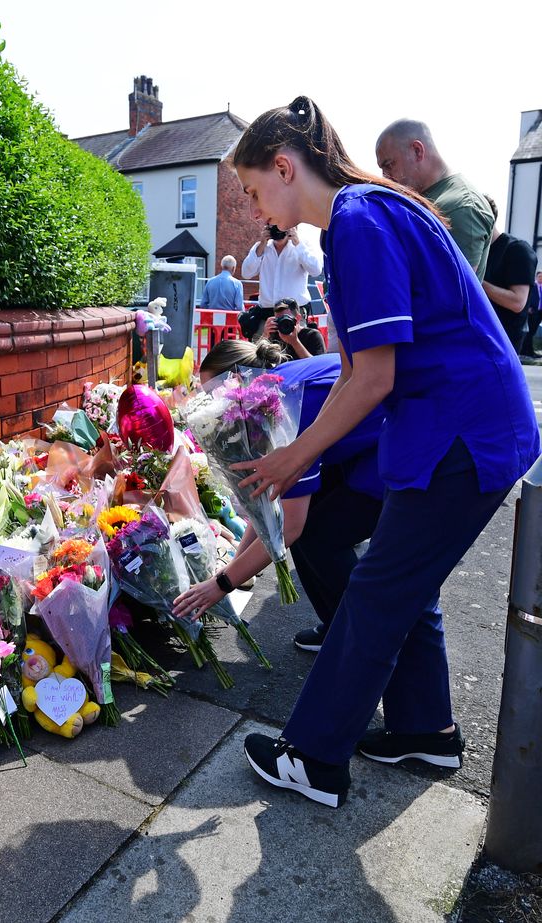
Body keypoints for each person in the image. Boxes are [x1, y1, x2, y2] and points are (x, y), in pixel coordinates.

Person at [230, 96, 538, 809]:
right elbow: (357, 366)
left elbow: (374, 377)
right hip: (463, 424)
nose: (252, 208)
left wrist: (289, 457)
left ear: (283, 166)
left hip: (462, 432)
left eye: (252, 189)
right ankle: (425, 729)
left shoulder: (358, 223)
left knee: (374, 593)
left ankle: (313, 757)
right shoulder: (367, 212)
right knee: (400, 583)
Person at [173, 341, 383, 654]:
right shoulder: (271, 392)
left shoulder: (283, 408)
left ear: (238, 381)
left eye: (214, 396)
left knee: (322, 536)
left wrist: (220, 586)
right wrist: (233, 570)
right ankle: (341, 625)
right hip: (365, 446)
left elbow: (288, 528)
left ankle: (362, 637)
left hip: (393, 453)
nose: (213, 409)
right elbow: (270, 504)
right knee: (314, 529)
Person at [375, 119, 495, 279]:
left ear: (417, 151)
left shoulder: (461, 207)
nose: (385, 177)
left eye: (389, 165)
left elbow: (450, 294)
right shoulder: (427, 198)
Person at [480, 198, 539, 355]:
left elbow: (517, 302)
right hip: (480, 337)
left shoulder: (517, 250)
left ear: (484, 217)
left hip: (503, 343)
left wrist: (476, 281)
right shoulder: (477, 251)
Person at [240, 222, 323, 317]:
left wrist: (297, 243)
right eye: (274, 225)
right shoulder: (261, 247)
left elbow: (316, 270)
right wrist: (262, 245)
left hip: (295, 311)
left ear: (293, 227)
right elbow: (246, 273)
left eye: (282, 225)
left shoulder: (302, 246)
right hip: (267, 311)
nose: (278, 229)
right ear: (268, 228)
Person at [261, 297, 326, 360]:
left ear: (298, 318)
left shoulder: (312, 335)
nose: (283, 323)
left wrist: (295, 342)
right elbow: (256, 361)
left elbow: (317, 366)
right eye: (279, 319)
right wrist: (265, 336)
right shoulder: (274, 335)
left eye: (286, 318)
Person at [526, 270, 542, 358]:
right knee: (530, 332)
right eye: (540, 276)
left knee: (533, 331)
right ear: (536, 277)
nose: (541, 278)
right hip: (533, 312)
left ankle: (530, 351)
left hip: (540, 312)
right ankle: (528, 352)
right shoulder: (533, 286)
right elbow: (528, 297)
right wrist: (527, 308)